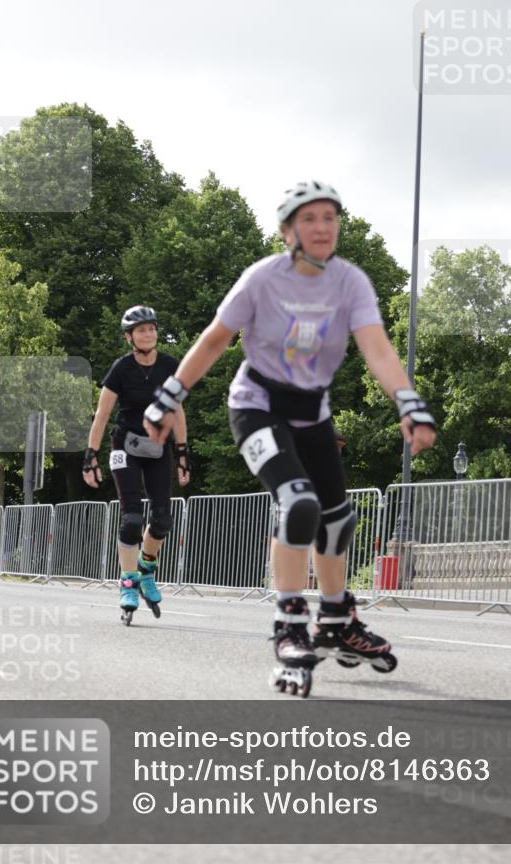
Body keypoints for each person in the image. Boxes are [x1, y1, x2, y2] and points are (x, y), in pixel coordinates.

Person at [143, 181, 436, 692]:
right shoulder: (262, 279)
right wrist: (169, 397)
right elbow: (215, 338)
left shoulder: (350, 282)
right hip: (257, 406)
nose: (323, 228)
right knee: (299, 505)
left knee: (339, 522)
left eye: (330, 217)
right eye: (310, 219)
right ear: (288, 231)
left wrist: (408, 403)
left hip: (311, 414)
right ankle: (288, 626)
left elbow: (378, 349)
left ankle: (337, 619)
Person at [82, 305, 191, 623]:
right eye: (142, 330)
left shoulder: (171, 365)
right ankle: (128, 583)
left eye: (152, 329)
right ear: (129, 336)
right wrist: (91, 456)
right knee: (131, 518)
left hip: (159, 446)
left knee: (161, 521)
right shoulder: (121, 368)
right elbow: (102, 415)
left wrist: (183, 453)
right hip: (125, 446)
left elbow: (178, 412)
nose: (149, 334)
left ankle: (146, 570)